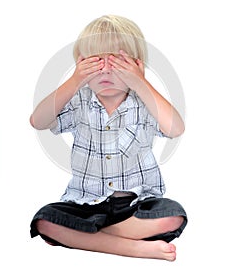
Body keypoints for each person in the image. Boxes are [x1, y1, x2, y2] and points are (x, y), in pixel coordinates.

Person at [30, 15, 187, 261]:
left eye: (117, 62)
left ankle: (87, 238)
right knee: (44, 220)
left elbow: (175, 128)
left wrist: (141, 83)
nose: (105, 70)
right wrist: (74, 81)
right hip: (86, 205)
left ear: (136, 65)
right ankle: (135, 248)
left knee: (174, 214)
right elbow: (38, 121)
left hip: (135, 206)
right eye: (94, 62)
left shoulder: (144, 102)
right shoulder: (79, 100)